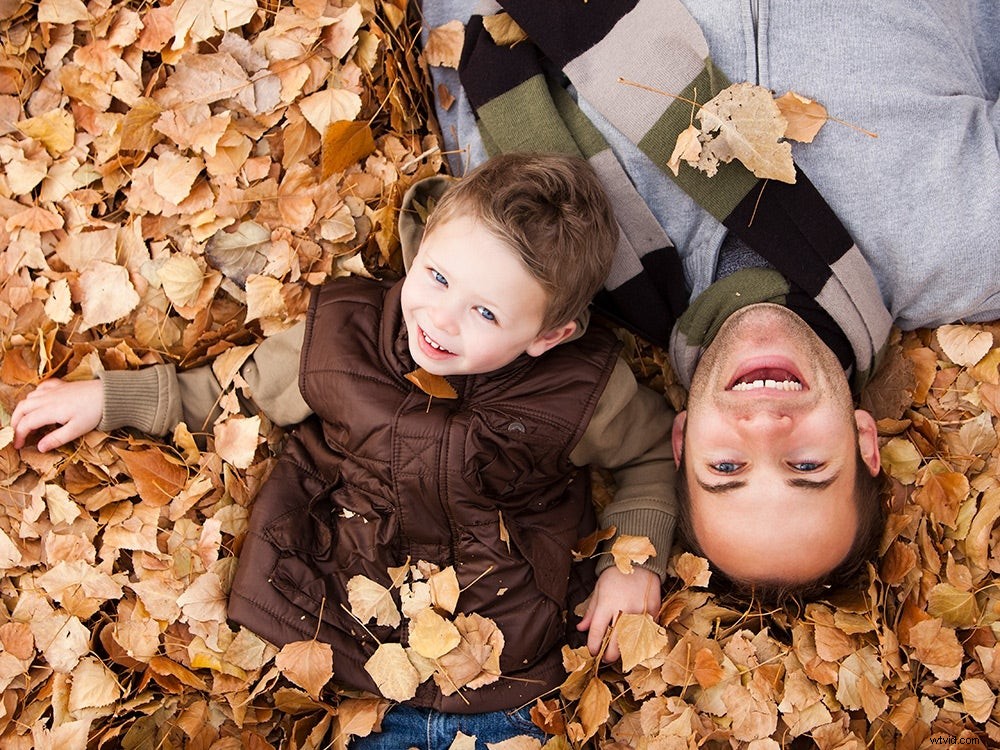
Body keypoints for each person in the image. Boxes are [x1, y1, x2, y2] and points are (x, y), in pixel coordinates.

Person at [11, 152, 677, 746]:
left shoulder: (580, 390)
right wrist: (110, 400)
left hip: (502, 640)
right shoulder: (342, 339)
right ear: (421, 248)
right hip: (335, 615)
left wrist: (634, 560)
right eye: (438, 278)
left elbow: (647, 457)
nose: (441, 319)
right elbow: (233, 394)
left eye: (485, 313)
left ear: (547, 335)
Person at [419, 0, 1000, 597]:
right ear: (863, 442)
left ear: (681, 438)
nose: (765, 427)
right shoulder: (968, 246)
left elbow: (471, 32)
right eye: (807, 467)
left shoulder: (552, 245)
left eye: (727, 469)